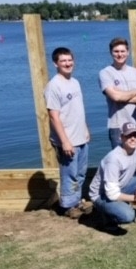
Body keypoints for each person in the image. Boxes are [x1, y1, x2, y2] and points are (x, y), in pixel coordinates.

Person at [44, 46, 92, 219]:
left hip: (80, 137)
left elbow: (78, 109)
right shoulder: (53, 86)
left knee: (80, 173)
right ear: (55, 63)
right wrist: (64, 141)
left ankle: (76, 200)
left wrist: (85, 128)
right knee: (69, 174)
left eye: (69, 60)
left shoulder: (75, 82)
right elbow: (54, 116)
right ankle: (67, 206)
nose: (67, 63)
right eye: (63, 61)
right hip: (67, 139)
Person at [89, 122, 136, 225]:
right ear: (121, 137)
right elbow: (112, 194)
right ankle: (105, 214)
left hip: (122, 185)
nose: (133, 139)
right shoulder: (113, 159)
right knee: (127, 216)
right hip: (102, 195)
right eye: (129, 136)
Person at [98, 37, 136, 149]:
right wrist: (135, 91)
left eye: (122, 51)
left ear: (128, 52)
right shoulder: (105, 73)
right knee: (120, 160)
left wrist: (122, 95)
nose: (119, 54)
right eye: (116, 51)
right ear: (111, 52)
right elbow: (115, 97)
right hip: (117, 125)